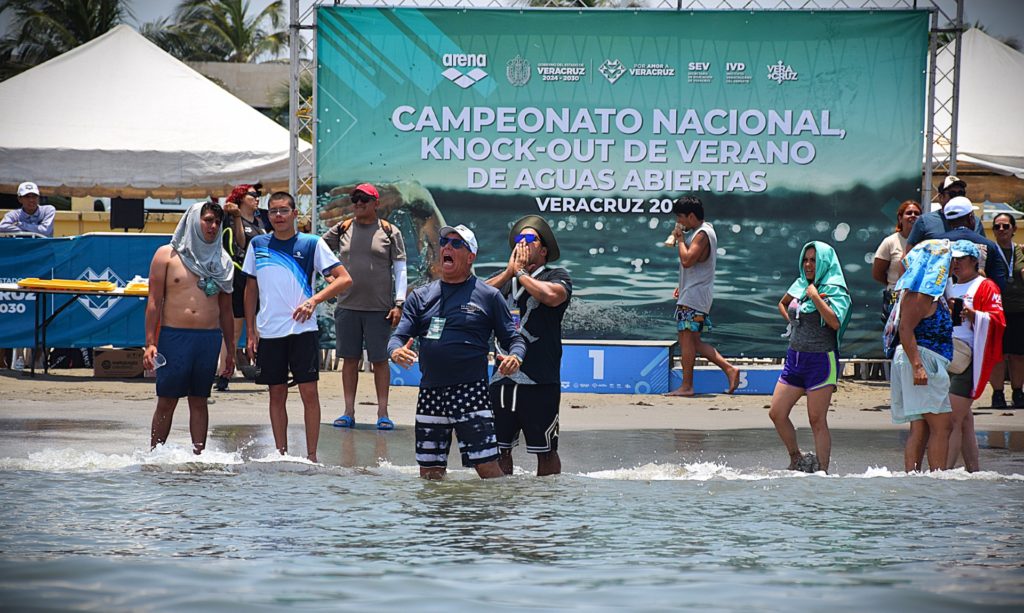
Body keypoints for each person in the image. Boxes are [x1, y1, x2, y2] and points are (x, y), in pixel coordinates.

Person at [389, 224, 526, 480]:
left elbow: (514, 338)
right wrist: (395, 350)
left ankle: (500, 507)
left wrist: (515, 356)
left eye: (456, 244)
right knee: (429, 474)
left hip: (470, 391)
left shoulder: (488, 295)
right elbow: (398, 336)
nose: (447, 247)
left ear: (470, 256)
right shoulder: (420, 296)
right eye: (444, 242)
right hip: (430, 391)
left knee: (487, 469)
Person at [242, 192, 353, 463]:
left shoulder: (312, 243)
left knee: (309, 392)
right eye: (273, 211)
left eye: (283, 210)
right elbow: (250, 288)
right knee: (276, 393)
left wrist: (314, 301)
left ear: (294, 214)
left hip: (303, 331)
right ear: (267, 215)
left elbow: (344, 279)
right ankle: (280, 454)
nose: (278, 216)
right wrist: (250, 331)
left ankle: (311, 456)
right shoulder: (257, 244)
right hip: (270, 332)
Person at [142, 201, 235, 454]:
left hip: (208, 339)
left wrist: (231, 351)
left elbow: (226, 311)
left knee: (199, 400)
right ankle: (155, 454)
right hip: (174, 337)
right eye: (208, 220)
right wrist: (150, 343)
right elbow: (154, 301)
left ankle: (199, 455)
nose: (213, 226)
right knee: (167, 400)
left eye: (217, 222)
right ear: (194, 220)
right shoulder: (166, 255)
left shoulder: (222, 261)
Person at [486, 215, 571, 476]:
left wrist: (522, 274)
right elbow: (473, 295)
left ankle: (546, 499)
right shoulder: (503, 280)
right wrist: (509, 273)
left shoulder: (555, 275)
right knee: (499, 450)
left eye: (529, 239)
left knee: (545, 451)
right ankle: (503, 497)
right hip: (502, 379)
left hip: (539, 379)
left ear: (543, 250)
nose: (521, 243)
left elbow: (552, 296)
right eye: (518, 239)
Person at [322, 183, 407, 431]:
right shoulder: (342, 228)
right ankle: (348, 411)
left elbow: (401, 269)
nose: (359, 203)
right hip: (347, 306)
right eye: (355, 199)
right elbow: (318, 251)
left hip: (379, 309)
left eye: (364, 199)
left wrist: (399, 303)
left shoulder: (390, 231)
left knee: (380, 360)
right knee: (349, 360)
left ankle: (383, 413)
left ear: (376, 203)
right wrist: (329, 278)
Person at [768, 242, 851, 473]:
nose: (808, 265)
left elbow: (835, 322)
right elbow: (783, 303)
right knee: (777, 413)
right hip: (795, 359)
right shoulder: (800, 283)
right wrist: (793, 323)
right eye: (805, 260)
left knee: (816, 419)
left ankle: (823, 471)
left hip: (821, 361)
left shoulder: (834, 289)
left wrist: (815, 297)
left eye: (813, 260)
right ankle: (796, 458)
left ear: (824, 262)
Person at [888, 239, 953, 472]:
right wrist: (918, 366)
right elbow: (905, 329)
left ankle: (914, 480)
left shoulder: (929, 292)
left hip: (922, 359)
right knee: (942, 426)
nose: (952, 264)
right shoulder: (920, 294)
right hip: (922, 359)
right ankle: (937, 479)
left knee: (921, 427)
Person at [665, 195, 740, 397]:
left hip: (694, 296)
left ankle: (687, 386)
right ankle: (729, 370)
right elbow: (697, 267)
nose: (678, 222)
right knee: (693, 341)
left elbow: (687, 260)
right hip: (693, 293)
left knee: (687, 340)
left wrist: (680, 240)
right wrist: (682, 285)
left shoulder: (702, 234)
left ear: (691, 216)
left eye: (680, 217)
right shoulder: (702, 231)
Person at [944, 240, 1005, 472]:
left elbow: (998, 321)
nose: (955, 263)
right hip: (948, 355)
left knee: (952, 419)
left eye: (960, 258)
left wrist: (974, 316)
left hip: (970, 358)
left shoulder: (986, 286)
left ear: (973, 260)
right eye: (953, 258)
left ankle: (942, 473)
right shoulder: (948, 285)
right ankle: (973, 470)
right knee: (965, 419)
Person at [215, 183, 266, 391]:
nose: (257, 198)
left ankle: (265, 372)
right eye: (253, 194)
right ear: (241, 198)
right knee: (234, 330)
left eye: (258, 194)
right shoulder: (231, 218)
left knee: (261, 328)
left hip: (260, 278)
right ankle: (224, 374)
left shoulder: (261, 220)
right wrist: (236, 216)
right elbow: (240, 243)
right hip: (239, 278)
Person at [988, 213, 1024, 408]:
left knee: (1018, 354)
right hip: (996, 311)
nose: (1001, 230)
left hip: (1019, 310)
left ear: (1014, 229)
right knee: (998, 355)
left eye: (1005, 226)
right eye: (997, 227)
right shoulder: (990, 251)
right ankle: (997, 393)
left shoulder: (1021, 251)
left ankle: (1018, 392)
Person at [934, 197, 1007, 290]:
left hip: (943, 297)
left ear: (947, 221)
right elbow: (999, 283)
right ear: (971, 217)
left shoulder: (936, 244)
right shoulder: (989, 245)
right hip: (978, 297)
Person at [905, 176, 983, 252]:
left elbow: (983, 250)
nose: (957, 197)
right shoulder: (925, 221)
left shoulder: (975, 221)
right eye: (952, 194)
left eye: (961, 193)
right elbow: (909, 253)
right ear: (941, 197)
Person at [873, 200, 922, 319]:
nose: (913, 216)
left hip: (920, 296)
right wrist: (894, 283)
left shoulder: (926, 241)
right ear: (900, 218)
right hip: (894, 296)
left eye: (917, 213)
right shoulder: (890, 242)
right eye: (909, 213)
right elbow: (877, 273)